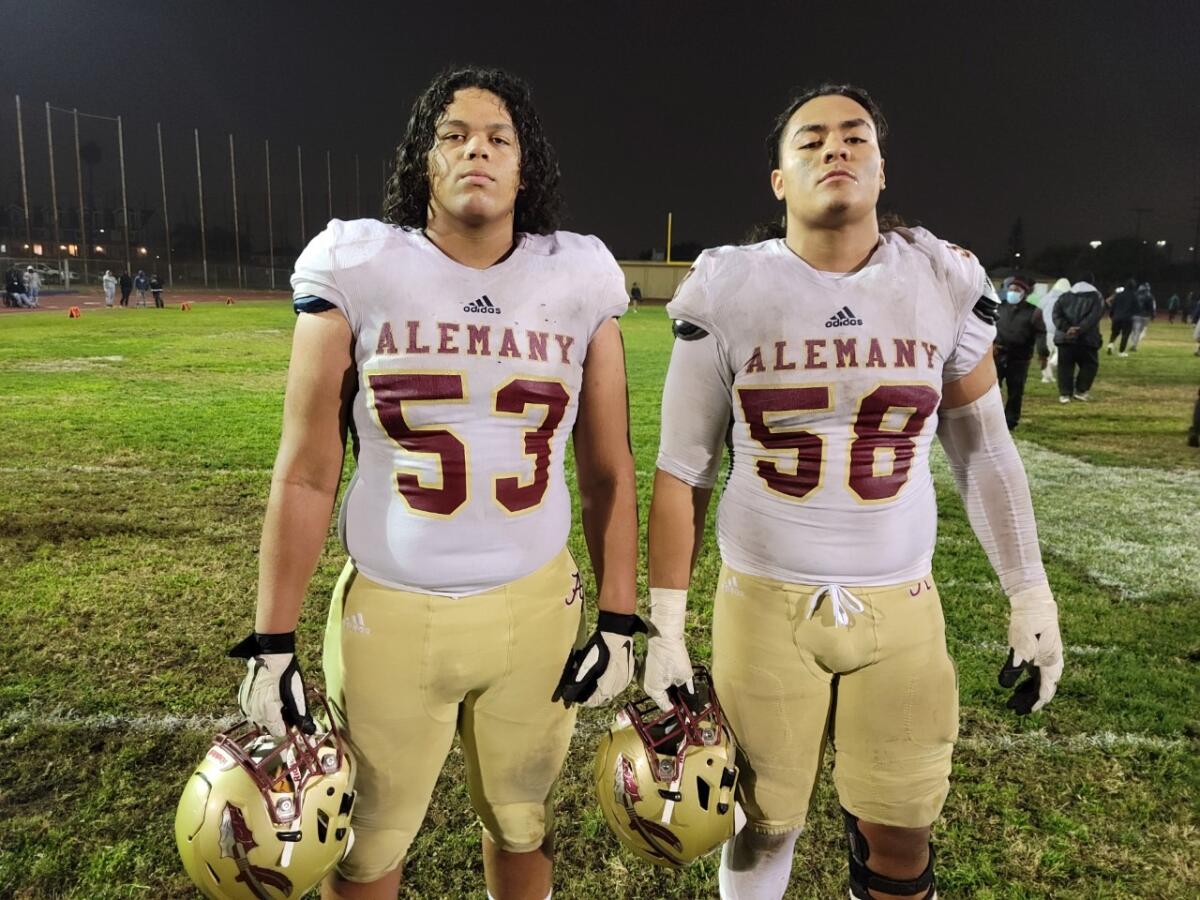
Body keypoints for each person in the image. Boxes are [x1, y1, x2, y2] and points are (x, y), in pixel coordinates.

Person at [644, 84, 1063, 900]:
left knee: (902, 832)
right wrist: (664, 622)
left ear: (880, 166)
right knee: (761, 827)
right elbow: (683, 468)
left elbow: (984, 451)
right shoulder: (727, 288)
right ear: (777, 179)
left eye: (854, 136)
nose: (835, 149)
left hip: (901, 603)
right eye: (811, 140)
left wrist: (1030, 591)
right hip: (762, 601)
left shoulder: (940, 279)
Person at [229, 66, 638, 900]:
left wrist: (622, 617)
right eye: (454, 135)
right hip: (391, 610)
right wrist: (272, 641)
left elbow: (607, 468)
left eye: (499, 138)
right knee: (366, 841)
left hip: (536, 611)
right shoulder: (359, 262)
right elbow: (307, 471)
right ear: (424, 160)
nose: (477, 151)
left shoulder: (579, 275)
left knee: (523, 817)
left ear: (527, 168)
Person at [994, 275, 1044, 429]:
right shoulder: (998, 307)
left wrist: (1043, 353)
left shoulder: (1034, 312)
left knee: (1015, 391)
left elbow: (1041, 333)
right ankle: (991, 418)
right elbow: (988, 327)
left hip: (1019, 358)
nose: (1012, 292)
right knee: (992, 389)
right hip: (997, 354)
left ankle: (1010, 421)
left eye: (1016, 290)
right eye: (1010, 289)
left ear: (1024, 293)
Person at [1053, 277, 1104, 402]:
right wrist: (1079, 329)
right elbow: (1094, 316)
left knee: (1065, 366)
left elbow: (1056, 315)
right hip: (1087, 338)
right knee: (1089, 364)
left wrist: (1067, 328)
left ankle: (1065, 394)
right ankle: (1081, 391)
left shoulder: (1064, 296)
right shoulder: (1096, 297)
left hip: (1065, 338)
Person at [1038, 277, 1069, 383]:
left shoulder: (1045, 298)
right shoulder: (1065, 300)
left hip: (1044, 329)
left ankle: (1046, 376)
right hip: (1059, 329)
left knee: (1045, 353)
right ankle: (1053, 364)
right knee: (1061, 351)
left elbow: (1038, 312)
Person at [1106, 279, 1137, 357]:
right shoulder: (1133, 296)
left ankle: (1110, 345)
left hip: (1116, 317)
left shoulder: (1119, 295)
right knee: (1125, 335)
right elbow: (1137, 308)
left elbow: (1113, 306)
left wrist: (1111, 315)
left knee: (1114, 333)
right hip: (1127, 318)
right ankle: (1121, 352)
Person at [1128, 281, 1156, 351]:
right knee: (1139, 331)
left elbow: (1131, 305)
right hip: (1145, 316)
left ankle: (1133, 344)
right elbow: (1151, 307)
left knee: (1134, 331)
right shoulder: (1150, 296)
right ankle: (1134, 345)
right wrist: (1153, 315)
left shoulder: (1135, 295)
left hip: (1135, 315)